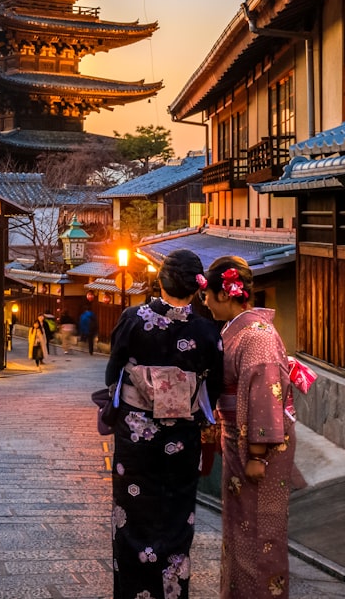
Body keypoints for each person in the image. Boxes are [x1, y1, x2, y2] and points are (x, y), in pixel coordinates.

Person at [104, 249, 222, 599]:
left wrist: (130, 406)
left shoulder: (132, 318)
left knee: (132, 520)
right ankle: (171, 592)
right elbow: (211, 390)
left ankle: (132, 593)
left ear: (160, 280)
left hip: (136, 439)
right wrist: (191, 411)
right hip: (181, 442)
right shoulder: (206, 331)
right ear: (197, 287)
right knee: (175, 521)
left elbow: (113, 374)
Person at [203, 255, 308, 598]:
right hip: (238, 440)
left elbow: (265, 395)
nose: (204, 301)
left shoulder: (257, 337)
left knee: (261, 531)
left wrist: (258, 455)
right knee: (240, 528)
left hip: (258, 448)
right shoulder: (241, 331)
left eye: (207, 294)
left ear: (225, 294)